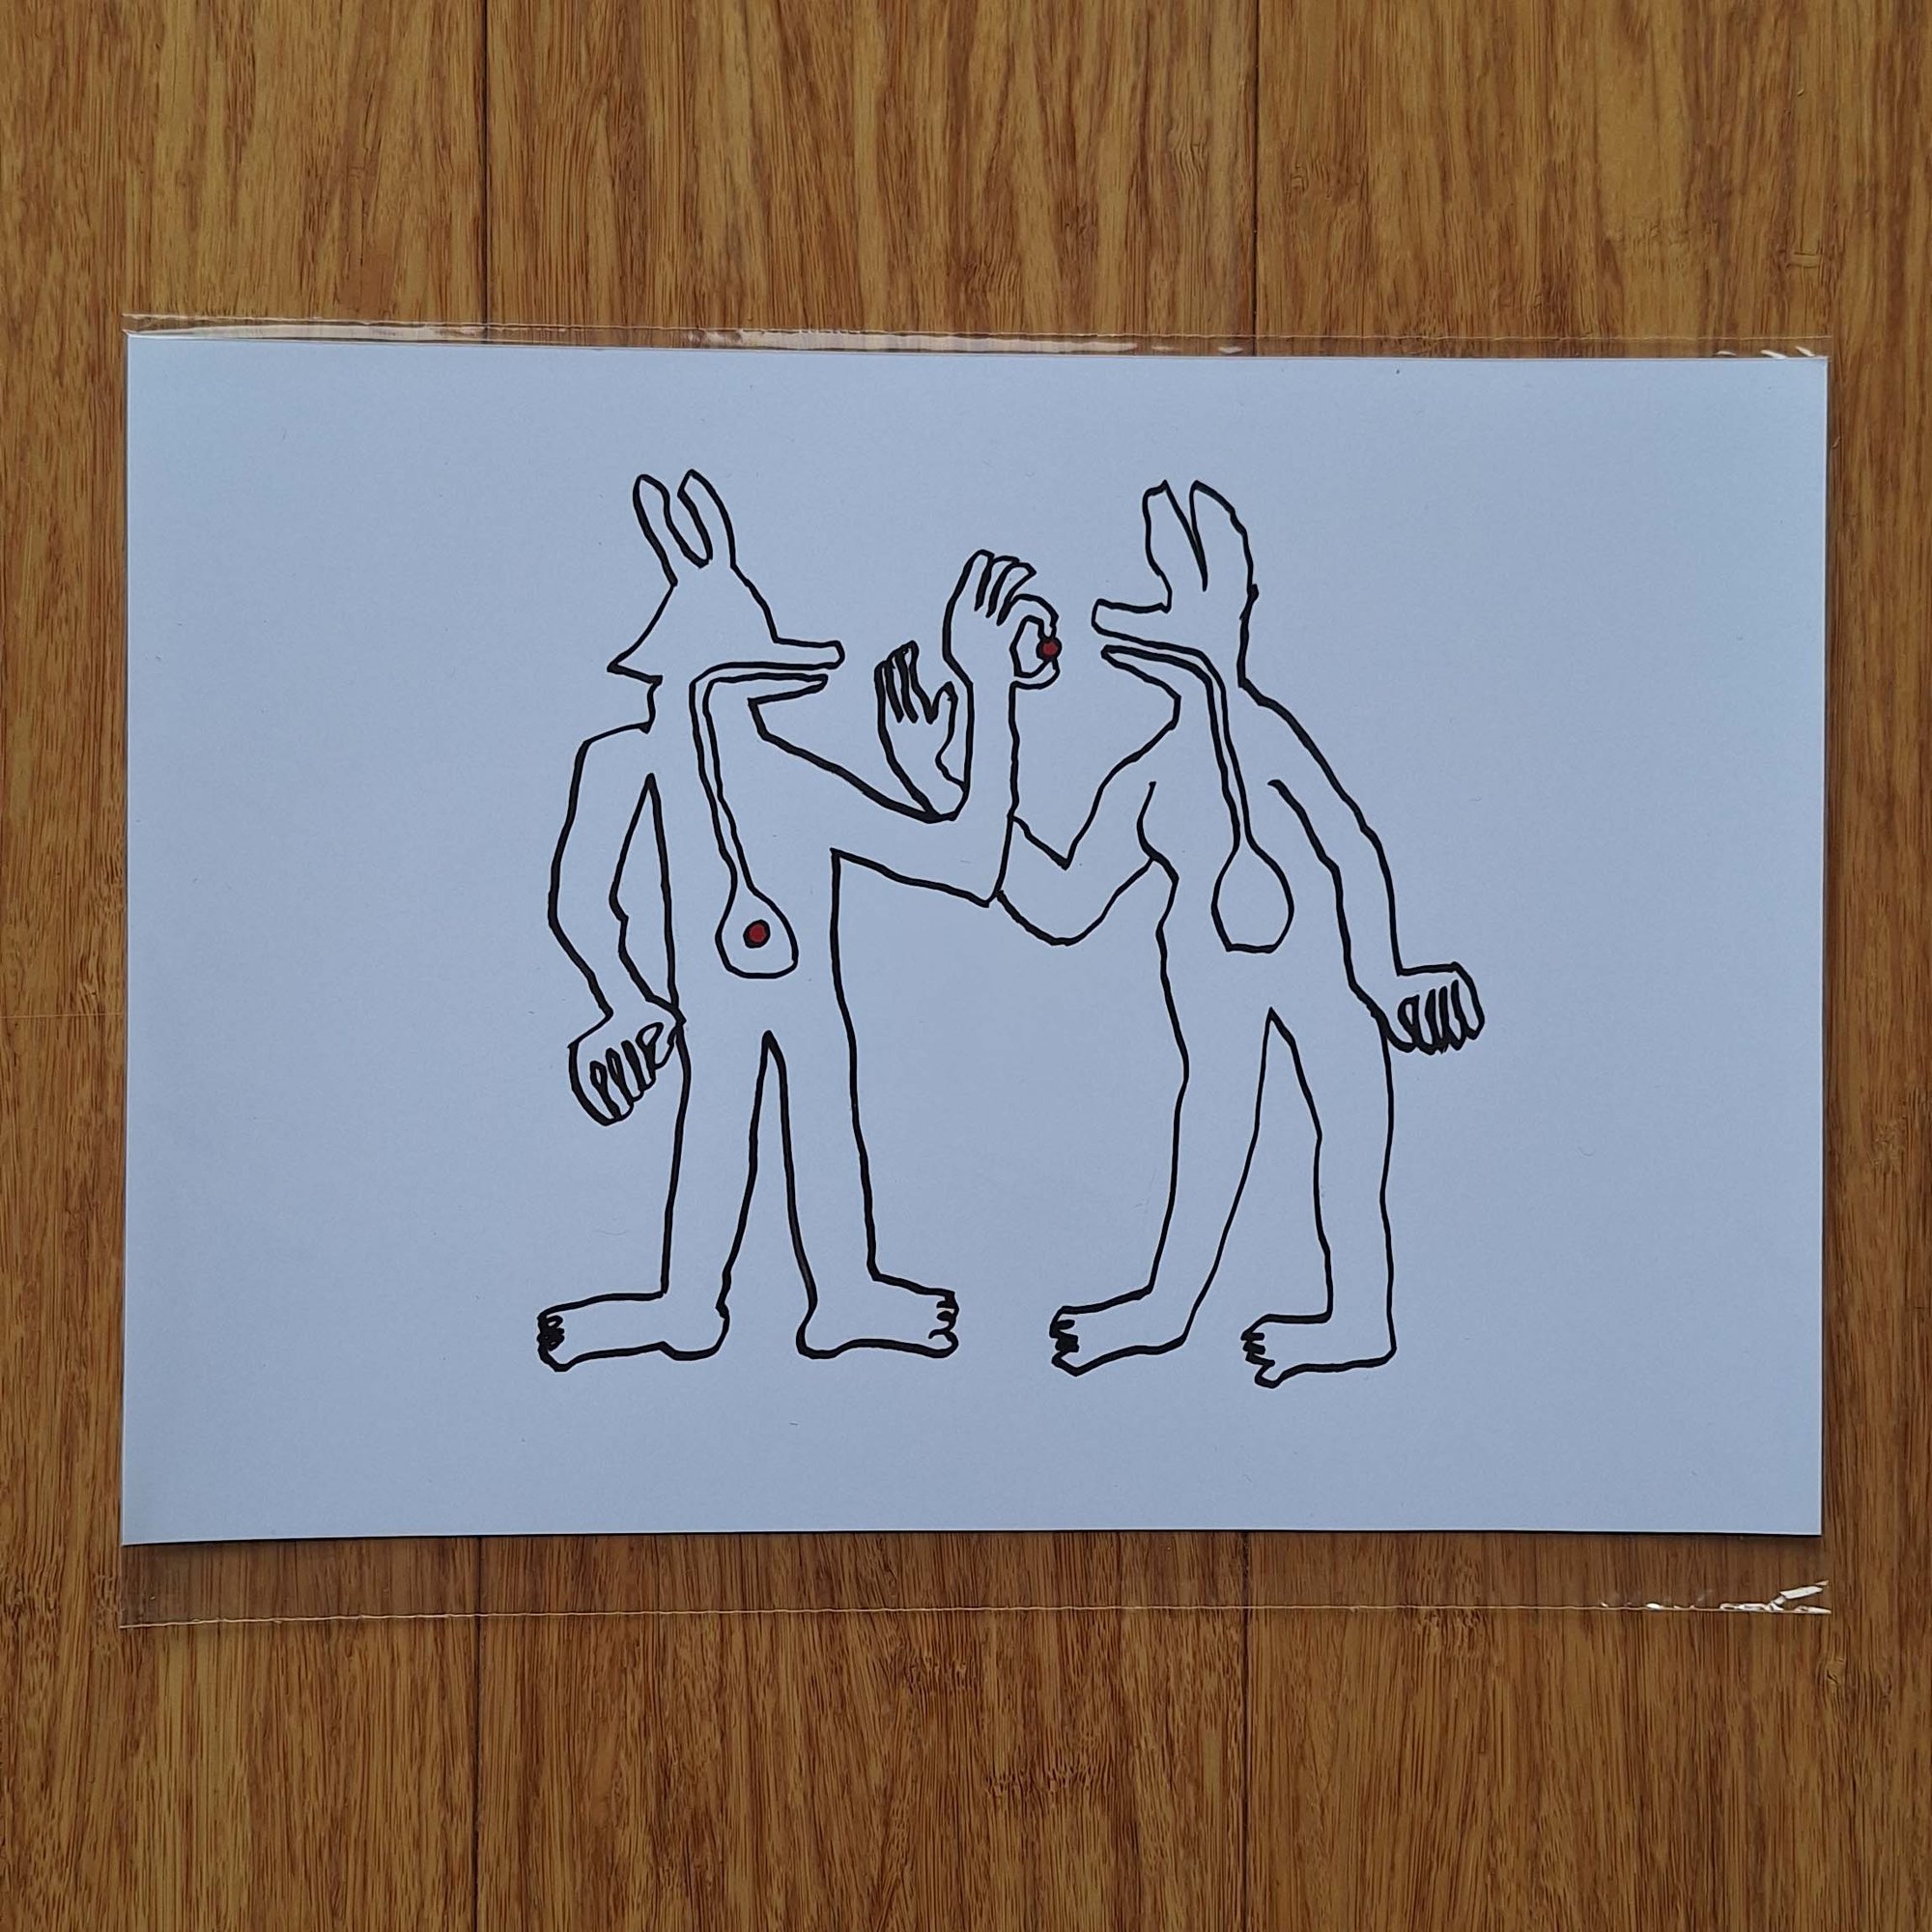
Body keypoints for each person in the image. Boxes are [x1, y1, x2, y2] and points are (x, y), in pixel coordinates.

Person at [537, 469, 1052, 1369]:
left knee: (821, 1110)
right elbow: (582, 899)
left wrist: (987, 695)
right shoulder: (624, 764)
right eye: (699, 689)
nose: (699, 712)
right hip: (710, 1003)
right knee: (716, 1118)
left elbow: (970, 866)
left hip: (806, 1000)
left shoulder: (794, 784)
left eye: (733, 688)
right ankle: (689, 1302)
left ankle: (843, 1290)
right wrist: (624, 998)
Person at [995, 481, 1484, 1383]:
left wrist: (1385, 975)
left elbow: (1348, 847)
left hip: (1323, 975)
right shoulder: (1146, 779)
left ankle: (1360, 1315)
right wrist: (972, 792)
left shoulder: (1266, 738)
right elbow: (1064, 904)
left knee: (1350, 1126)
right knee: (1215, 1130)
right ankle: (1167, 1308)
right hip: (1214, 984)